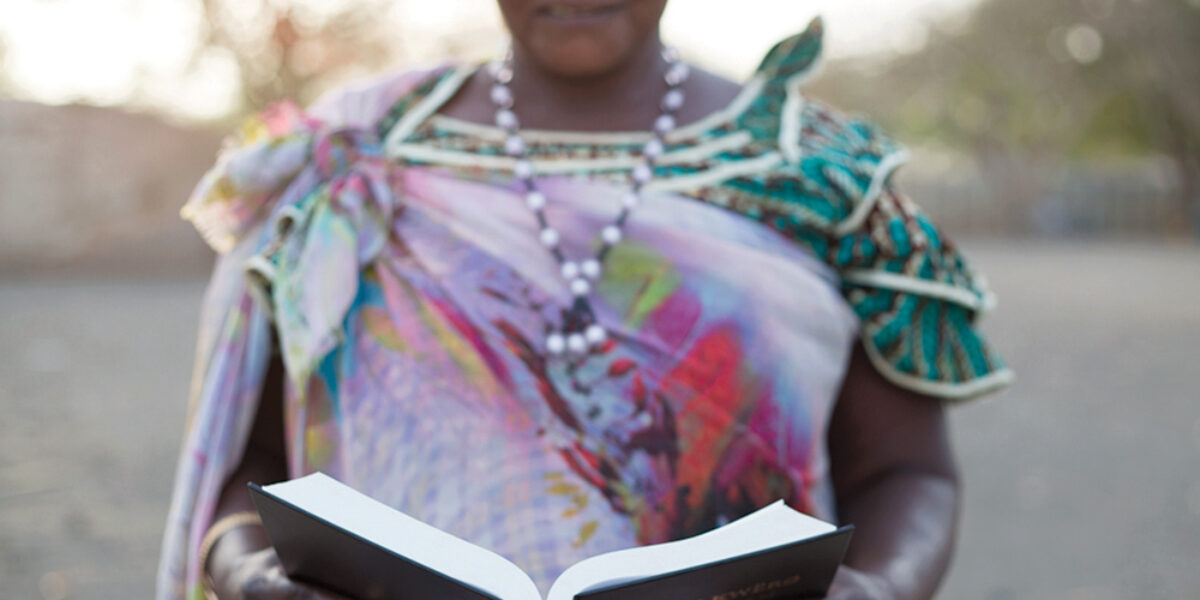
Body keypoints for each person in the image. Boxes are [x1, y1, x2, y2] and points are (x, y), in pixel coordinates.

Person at [157, 1, 1013, 599]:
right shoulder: (354, 151)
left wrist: (880, 589)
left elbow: (908, 471)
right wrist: (242, 568)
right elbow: (256, 456)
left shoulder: (823, 177)